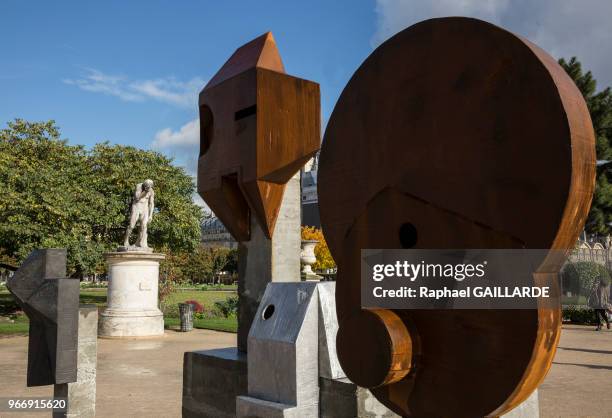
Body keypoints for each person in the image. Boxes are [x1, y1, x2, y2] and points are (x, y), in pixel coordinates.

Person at [123, 179, 155, 249]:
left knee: (144, 226)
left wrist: (150, 215)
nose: (148, 187)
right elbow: (137, 198)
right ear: (144, 184)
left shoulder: (151, 191)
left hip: (145, 208)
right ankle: (126, 240)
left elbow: (151, 203)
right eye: (147, 186)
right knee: (131, 225)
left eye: (149, 186)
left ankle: (139, 243)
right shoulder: (139, 186)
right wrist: (145, 192)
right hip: (137, 206)